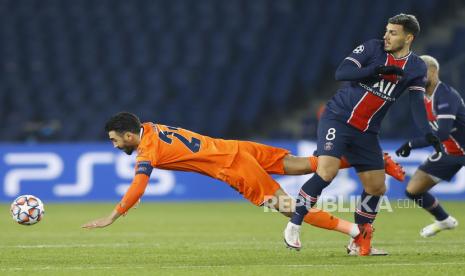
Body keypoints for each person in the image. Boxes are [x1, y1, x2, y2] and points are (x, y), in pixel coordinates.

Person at [82, 112, 402, 255]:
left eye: (114, 140)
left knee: (287, 207)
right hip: (237, 147)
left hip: (232, 165)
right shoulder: (150, 128)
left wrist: (114, 214)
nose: (114, 145)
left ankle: (355, 234)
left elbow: (139, 184)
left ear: (128, 135)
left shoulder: (147, 147)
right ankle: (372, 160)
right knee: (299, 165)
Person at [283, 13, 443, 256]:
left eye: (393, 32)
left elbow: (416, 103)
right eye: (387, 30)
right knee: (326, 171)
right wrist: (377, 70)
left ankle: (358, 242)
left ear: (408, 38)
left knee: (377, 187)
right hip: (338, 117)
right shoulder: (372, 48)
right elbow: (342, 73)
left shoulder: (416, 67)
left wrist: (427, 132)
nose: (386, 36)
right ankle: (294, 224)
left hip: (367, 131)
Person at [396, 55, 464, 237]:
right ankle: (444, 220)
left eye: (420, 73)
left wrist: (412, 144)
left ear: (433, 72)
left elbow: (441, 133)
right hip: (450, 152)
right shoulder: (422, 97)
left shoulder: (446, 96)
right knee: (414, 190)